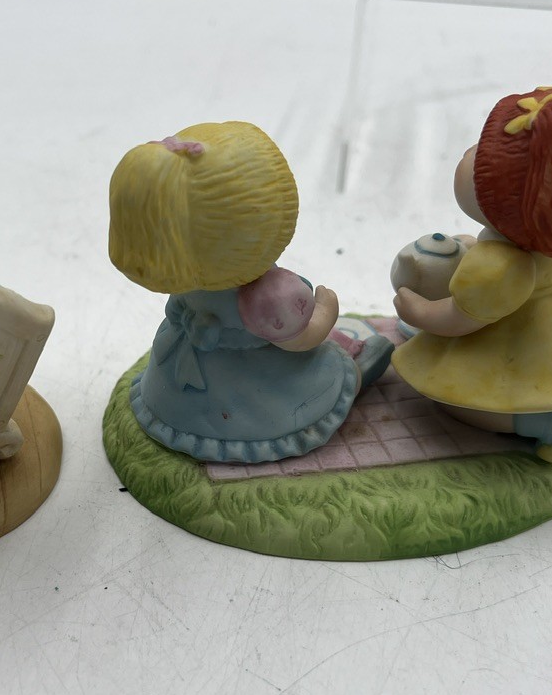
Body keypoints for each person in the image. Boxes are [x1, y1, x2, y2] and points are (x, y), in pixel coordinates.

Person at [392, 72, 552, 462]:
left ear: (510, 201)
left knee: (455, 399)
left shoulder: (498, 265)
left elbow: (459, 318)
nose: (468, 153)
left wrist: (417, 310)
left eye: (480, 156)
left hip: (512, 338)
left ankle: (548, 423)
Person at [109, 121, 391, 463]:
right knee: (332, 374)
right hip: (256, 393)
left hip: (175, 387)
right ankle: (358, 374)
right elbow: (302, 339)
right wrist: (326, 307)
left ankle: (175, 417)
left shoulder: (184, 272)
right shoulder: (267, 294)